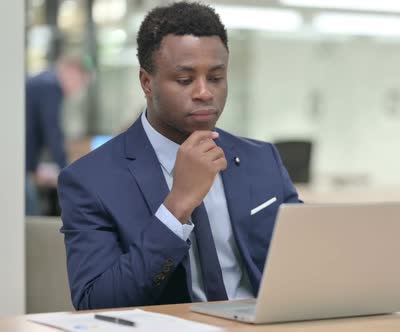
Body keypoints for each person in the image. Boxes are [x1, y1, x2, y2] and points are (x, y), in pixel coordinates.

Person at [58, 1, 300, 310]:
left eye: (215, 77)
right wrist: (177, 207)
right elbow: (97, 303)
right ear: (147, 82)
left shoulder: (261, 159)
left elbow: (307, 262)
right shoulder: (90, 181)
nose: (204, 92)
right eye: (185, 80)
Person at [26, 56, 91, 215]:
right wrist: (65, 169)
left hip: (23, 163)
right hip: (18, 163)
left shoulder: (43, 82)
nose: (77, 90)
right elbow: (52, 131)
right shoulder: (50, 86)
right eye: (80, 83)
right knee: (29, 210)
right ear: (72, 72)